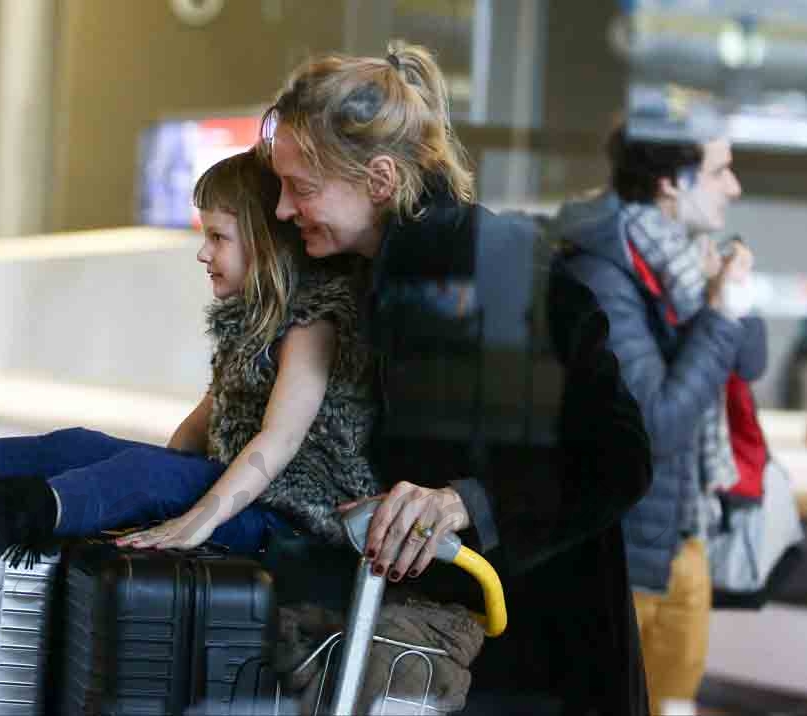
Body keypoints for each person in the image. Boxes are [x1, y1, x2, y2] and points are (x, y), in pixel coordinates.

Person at [262, 43, 654, 713]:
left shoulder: (488, 267)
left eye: (301, 188)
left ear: (380, 180)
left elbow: (618, 456)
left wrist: (465, 501)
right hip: (451, 661)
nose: (281, 209)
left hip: (537, 665)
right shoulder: (371, 281)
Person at [0, 147, 382, 569]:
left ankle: (10, 518)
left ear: (266, 245)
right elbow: (201, 424)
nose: (203, 253)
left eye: (218, 237)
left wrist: (193, 518)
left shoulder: (315, 324)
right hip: (239, 494)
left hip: (286, 521)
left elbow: (278, 439)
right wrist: (154, 482)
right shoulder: (250, 324)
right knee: (79, 446)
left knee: (144, 475)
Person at [550, 122, 758, 713]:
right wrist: (718, 312)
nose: (735, 188)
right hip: (627, 549)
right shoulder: (605, 273)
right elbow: (657, 425)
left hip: (684, 538)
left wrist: (725, 296)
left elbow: (752, 357)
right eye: (720, 171)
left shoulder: (688, 264)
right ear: (671, 183)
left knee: (672, 705)